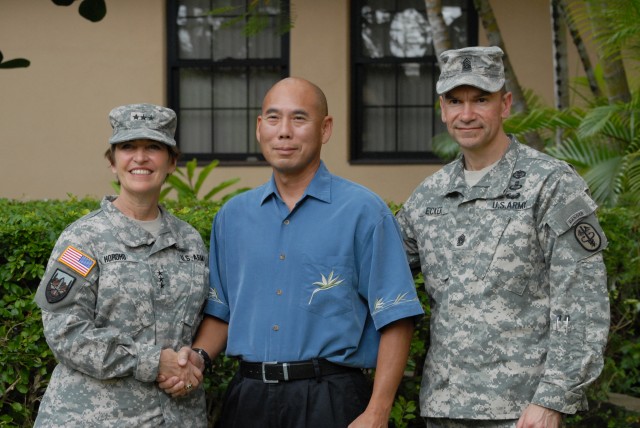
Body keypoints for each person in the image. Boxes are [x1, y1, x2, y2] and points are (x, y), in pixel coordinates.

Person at [160, 77, 425, 427]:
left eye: (299, 119)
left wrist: (377, 411)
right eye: (273, 118)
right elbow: (222, 313)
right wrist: (196, 358)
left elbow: (396, 317)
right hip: (249, 399)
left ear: (325, 128)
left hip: (331, 400)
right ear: (259, 127)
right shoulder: (233, 217)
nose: (284, 132)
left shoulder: (363, 212)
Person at [396, 46, 611, 428]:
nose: (466, 114)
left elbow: (581, 300)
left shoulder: (551, 184)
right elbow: (378, 274)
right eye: (455, 101)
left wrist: (553, 398)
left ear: (505, 104)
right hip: (443, 407)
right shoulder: (429, 195)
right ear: (442, 109)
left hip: (521, 412)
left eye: (481, 99)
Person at [34, 104, 209, 427]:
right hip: (95, 418)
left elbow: (203, 322)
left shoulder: (190, 241)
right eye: (128, 147)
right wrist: (153, 361)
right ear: (112, 162)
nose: (140, 158)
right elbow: (64, 331)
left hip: (177, 416)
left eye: (153, 147)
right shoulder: (83, 239)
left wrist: (192, 361)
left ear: (171, 162)